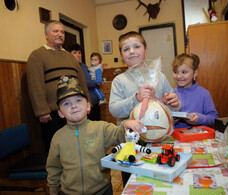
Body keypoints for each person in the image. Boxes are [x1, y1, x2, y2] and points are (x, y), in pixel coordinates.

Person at [46, 75, 144, 195]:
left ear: (88, 106)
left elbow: (118, 134)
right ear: (60, 113)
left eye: (78, 100)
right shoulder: (58, 137)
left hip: (102, 191)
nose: (73, 106)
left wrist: (125, 125)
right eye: (66, 103)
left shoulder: (101, 128)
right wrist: (53, 191)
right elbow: (53, 168)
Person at [109, 31, 181, 186]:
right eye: (126, 49)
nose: (132, 51)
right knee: (133, 184)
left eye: (136, 46)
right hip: (131, 145)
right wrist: (136, 98)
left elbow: (171, 106)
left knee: (160, 180)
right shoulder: (119, 81)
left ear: (146, 50)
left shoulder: (160, 77)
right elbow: (114, 109)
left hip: (159, 142)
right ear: (121, 55)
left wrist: (175, 102)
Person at [26, 20, 90, 153]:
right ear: (46, 34)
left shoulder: (70, 56)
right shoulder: (37, 55)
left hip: (76, 109)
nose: (60, 34)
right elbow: (35, 84)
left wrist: (87, 102)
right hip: (53, 113)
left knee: (77, 145)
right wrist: (41, 110)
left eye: (62, 32)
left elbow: (82, 81)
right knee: (57, 148)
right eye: (55, 31)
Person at [172, 53, 218, 129]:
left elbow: (214, 118)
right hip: (175, 138)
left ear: (195, 73)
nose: (179, 76)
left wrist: (199, 119)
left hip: (198, 138)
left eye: (184, 72)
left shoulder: (204, 94)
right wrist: (171, 120)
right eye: (176, 72)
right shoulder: (171, 94)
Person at [68, 44, 101, 121]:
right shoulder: (70, 67)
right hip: (82, 102)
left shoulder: (84, 66)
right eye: (75, 53)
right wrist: (96, 83)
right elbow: (83, 82)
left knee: (96, 124)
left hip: (94, 101)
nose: (78, 55)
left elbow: (90, 78)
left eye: (79, 53)